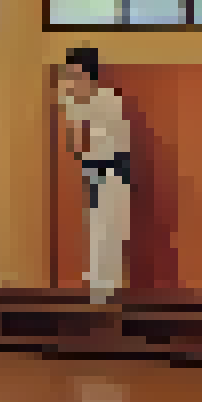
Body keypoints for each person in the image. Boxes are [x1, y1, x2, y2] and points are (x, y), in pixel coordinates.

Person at [57, 46, 132, 304]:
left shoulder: (107, 100)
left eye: (75, 75)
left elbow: (83, 145)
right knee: (98, 237)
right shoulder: (83, 103)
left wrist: (73, 109)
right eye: (69, 75)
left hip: (112, 174)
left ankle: (105, 300)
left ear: (88, 75)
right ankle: (99, 297)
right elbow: (78, 148)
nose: (71, 81)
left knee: (108, 237)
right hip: (97, 174)